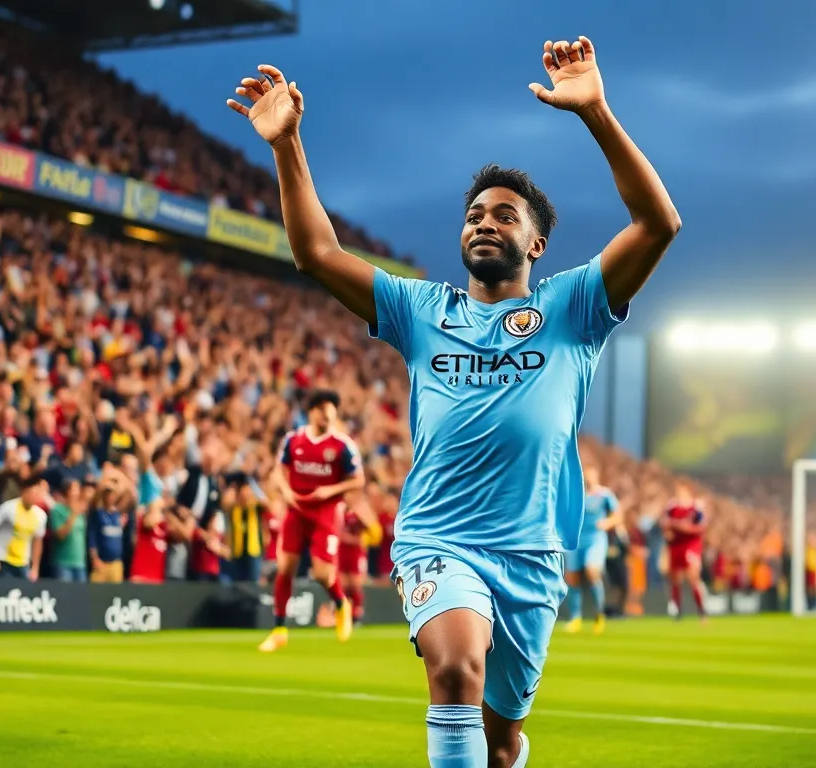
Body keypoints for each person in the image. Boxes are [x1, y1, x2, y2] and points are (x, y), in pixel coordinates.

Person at [227, 34, 679, 767]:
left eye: (505, 215)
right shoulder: (421, 310)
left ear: (537, 245)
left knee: (500, 745)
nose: (484, 222)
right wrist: (287, 146)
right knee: (455, 671)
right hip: (439, 537)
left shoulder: (571, 308)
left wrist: (596, 112)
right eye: (474, 215)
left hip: (532, 553)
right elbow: (317, 254)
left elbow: (658, 225)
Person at [259, 390, 366, 652]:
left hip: (325, 512)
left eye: (331, 412)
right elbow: (279, 471)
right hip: (296, 510)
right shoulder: (293, 440)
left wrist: (329, 491)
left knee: (321, 574)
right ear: (312, 412)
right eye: (322, 410)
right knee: (285, 567)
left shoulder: (342, 445)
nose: (326, 416)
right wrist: (286, 492)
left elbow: (358, 480)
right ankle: (279, 629)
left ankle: (341, 603)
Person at [563, 468, 619, 634]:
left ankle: (599, 614)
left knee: (591, 570)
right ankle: (575, 618)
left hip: (595, 539)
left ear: (596, 476)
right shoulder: (575, 493)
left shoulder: (604, 494)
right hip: (576, 540)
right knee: (572, 577)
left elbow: (617, 516)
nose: (587, 477)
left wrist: (607, 523)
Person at [0, 474, 50, 581]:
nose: (35, 496)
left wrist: (35, 567)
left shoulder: (40, 515)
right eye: (32, 493)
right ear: (24, 492)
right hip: (2, 560)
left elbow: (37, 542)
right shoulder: (8, 508)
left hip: (23, 563)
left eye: (38, 494)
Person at [661, 482, 708, 623]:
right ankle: (677, 611)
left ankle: (701, 611)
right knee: (675, 579)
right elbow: (664, 524)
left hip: (690, 545)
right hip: (675, 545)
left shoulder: (696, 507)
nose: (679, 494)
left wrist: (686, 528)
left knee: (693, 577)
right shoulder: (671, 507)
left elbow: (701, 527)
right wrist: (669, 531)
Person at [337, 487, 384, 625]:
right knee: (342, 583)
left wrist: (360, 539)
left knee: (355, 583)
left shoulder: (362, 510)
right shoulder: (339, 508)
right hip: (341, 550)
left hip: (356, 551)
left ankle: (356, 614)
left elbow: (375, 534)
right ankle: (343, 613)